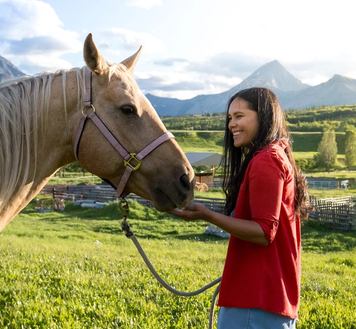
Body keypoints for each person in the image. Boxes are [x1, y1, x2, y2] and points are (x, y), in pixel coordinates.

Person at [172, 87, 309, 329]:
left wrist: (207, 215)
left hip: (254, 303)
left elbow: (264, 232)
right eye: (229, 118)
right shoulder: (276, 155)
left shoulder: (266, 160)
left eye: (239, 116)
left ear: (264, 116)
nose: (231, 125)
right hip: (268, 302)